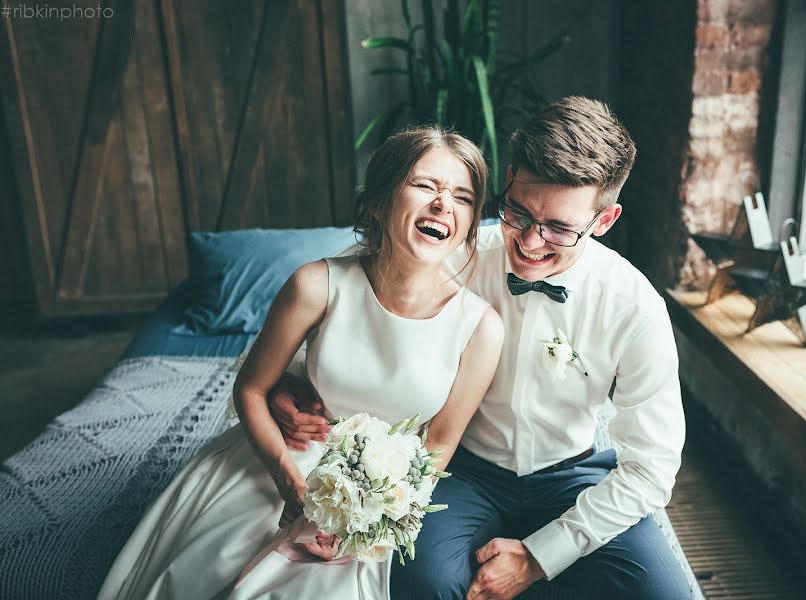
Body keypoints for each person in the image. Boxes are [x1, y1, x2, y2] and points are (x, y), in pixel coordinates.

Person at [272, 97, 692, 599]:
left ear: (604, 220)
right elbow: (345, 297)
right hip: (458, 470)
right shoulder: (451, 253)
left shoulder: (634, 307)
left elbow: (652, 467)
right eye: (518, 213)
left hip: (573, 475)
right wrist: (285, 382)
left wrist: (539, 556)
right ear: (510, 178)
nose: (531, 242)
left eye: (559, 228)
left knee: (665, 595)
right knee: (423, 585)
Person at [97, 127, 504, 600]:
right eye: (424, 185)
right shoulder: (315, 285)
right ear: (378, 199)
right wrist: (291, 486)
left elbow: (437, 444)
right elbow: (250, 390)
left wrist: (377, 517)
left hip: (383, 492)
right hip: (285, 459)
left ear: (472, 221)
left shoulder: (480, 328)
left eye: (462, 196)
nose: (442, 205)